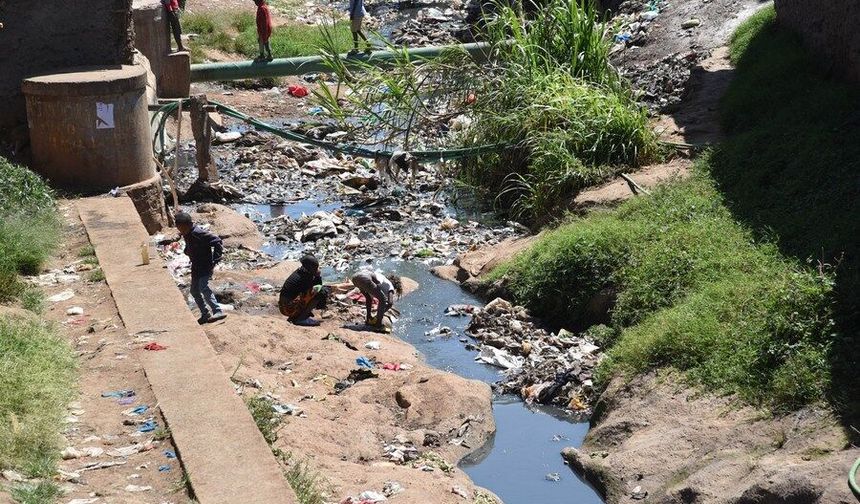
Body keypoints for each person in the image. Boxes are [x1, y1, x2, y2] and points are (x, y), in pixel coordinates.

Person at [175, 212, 226, 324]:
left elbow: (217, 241)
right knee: (194, 291)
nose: (181, 231)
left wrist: (216, 259)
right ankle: (205, 313)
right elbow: (189, 243)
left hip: (205, 265)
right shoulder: (186, 233)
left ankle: (217, 310)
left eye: (182, 229)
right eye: (180, 229)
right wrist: (187, 250)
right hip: (196, 266)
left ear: (189, 225)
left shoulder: (199, 233)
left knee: (203, 287)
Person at [279, 255, 329, 326]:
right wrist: (318, 276)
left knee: (317, 291)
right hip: (287, 309)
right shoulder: (304, 278)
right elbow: (316, 288)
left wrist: (317, 276)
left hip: (284, 306)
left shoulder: (301, 272)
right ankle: (301, 319)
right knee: (321, 292)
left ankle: (297, 316)